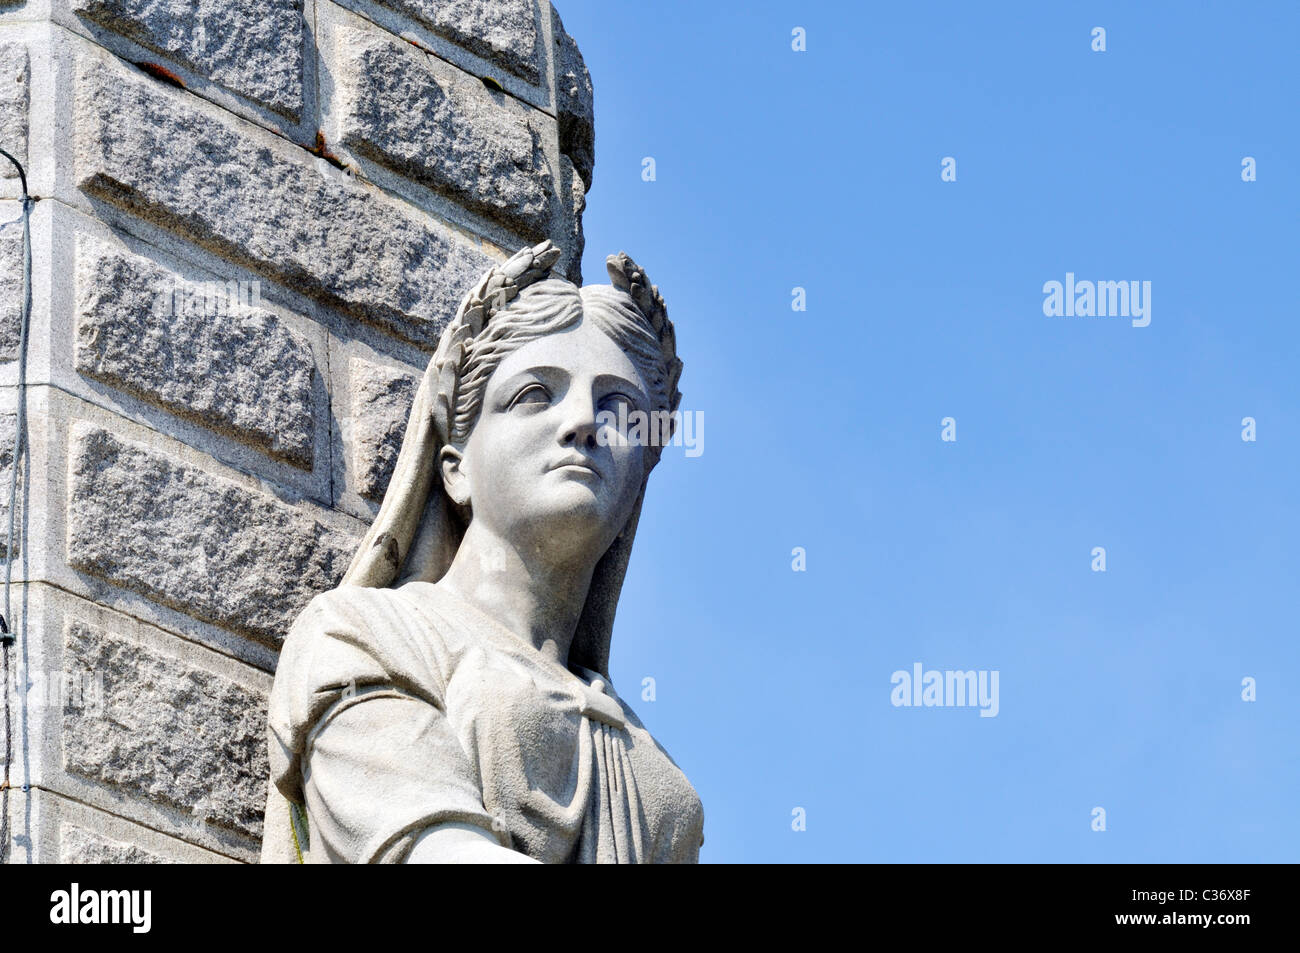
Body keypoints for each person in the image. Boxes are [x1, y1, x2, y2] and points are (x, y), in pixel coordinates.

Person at [261, 240, 704, 863]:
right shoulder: (365, 638)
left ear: (639, 485)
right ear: (454, 468)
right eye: (534, 394)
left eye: (621, 408)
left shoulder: (650, 763)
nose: (583, 422)